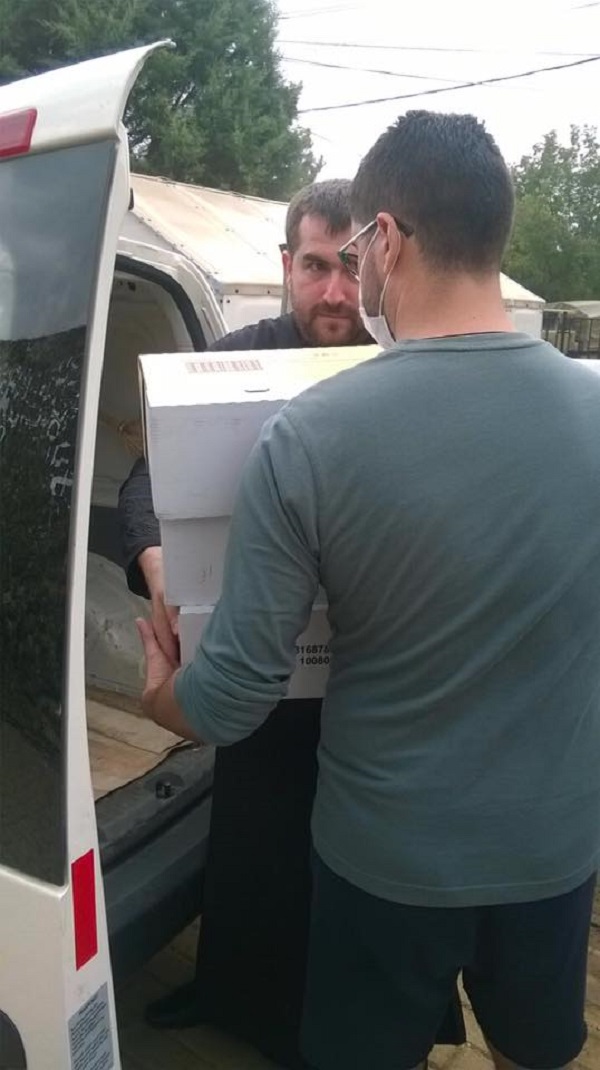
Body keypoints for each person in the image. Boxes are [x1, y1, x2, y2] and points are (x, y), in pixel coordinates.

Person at [138, 110, 600, 1070]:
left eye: (354, 254)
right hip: (554, 845)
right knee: (535, 1051)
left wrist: (157, 691)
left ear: (384, 238)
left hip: (386, 858)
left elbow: (229, 699)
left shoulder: (312, 438)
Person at [123, 182, 469, 1065]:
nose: (334, 293)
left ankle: (380, 1022)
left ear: (377, 260)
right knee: (252, 839)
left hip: (373, 670)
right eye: (315, 268)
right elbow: (142, 482)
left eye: (349, 269)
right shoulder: (232, 360)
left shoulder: (404, 370)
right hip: (259, 661)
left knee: (364, 860)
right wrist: (158, 563)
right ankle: (230, 995)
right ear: (286, 266)